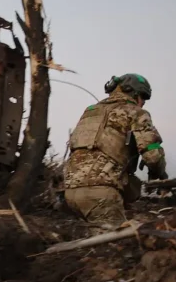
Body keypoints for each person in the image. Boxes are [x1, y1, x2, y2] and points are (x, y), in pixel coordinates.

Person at [62, 74, 168, 227]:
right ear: (135, 94)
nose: (142, 104)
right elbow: (152, 155)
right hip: (100, 194)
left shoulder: (90, 111)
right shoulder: (135, 112)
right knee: (118, 244)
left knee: (89, 243)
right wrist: (161, 173)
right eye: (143, 99)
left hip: (70, 193)